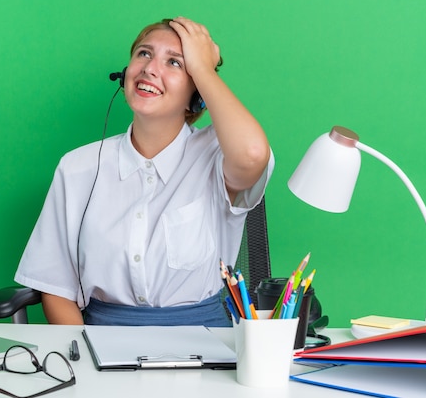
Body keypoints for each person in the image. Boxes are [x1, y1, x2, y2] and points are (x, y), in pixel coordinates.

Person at [14, 17, 274, 327]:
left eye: (175, 62)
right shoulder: (77, 167)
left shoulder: (217, 156)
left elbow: (253, 154)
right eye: (144, 54)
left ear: (198, 93)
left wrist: (204, 68)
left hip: (204, 343)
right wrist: (85, 360)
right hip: (102, 343)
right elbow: (55, 286)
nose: (150, 68)